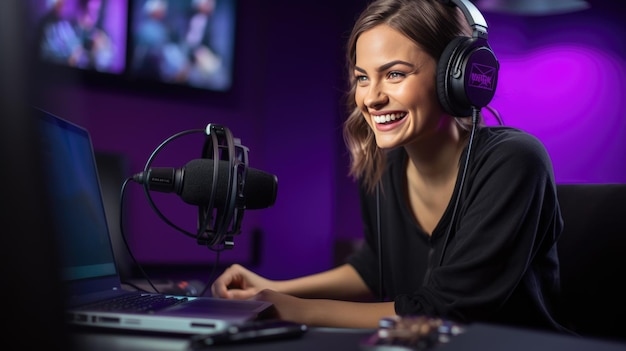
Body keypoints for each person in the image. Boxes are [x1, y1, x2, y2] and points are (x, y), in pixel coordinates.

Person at [210, 0, 572, 334]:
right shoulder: (385, 166)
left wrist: (291, 309)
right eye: (363, 77)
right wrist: (270, 289)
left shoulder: (515, 161)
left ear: (455, 76)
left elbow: (445, 310)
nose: (371, 97)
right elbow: (373, 267)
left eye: (395, 74)